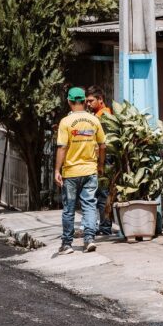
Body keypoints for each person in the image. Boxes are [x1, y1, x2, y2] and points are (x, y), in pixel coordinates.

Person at [54, 87, 106, 255]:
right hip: (90, 170)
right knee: (90, 205)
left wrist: (57, 169)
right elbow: (103, 144)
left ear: (69, 101)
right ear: (84, 101)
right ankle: (89, 239)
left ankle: (67, 244)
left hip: (70, 172)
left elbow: (62, 147)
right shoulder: (94, 120)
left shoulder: (66, 122)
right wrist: (101, 165)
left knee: (69, 208)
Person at [85, 85, 114, 239]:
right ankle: (102, 225)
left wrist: (101, 164)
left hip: (106, 159)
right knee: (100, 194)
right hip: (100, 159)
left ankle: (105, 226)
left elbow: (103, 144)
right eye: (86, 101)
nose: (88, 104)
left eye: (91, 101)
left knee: (103, 194)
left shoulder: (103, 116)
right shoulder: (98, 115)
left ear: (100, 100)